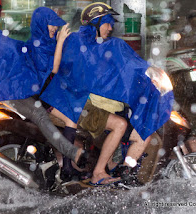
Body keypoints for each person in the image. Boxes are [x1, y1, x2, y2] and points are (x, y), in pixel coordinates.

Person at [41, 2, 174, 185]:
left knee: (144, 132)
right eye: (108, 22)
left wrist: (148, 74)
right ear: (96, 22)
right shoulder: (79, 42)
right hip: (78, 104)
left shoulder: (103, 46)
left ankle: (124, 171)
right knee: (119, 125)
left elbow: (127, 66)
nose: (111, 28)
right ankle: (98, 173)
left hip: (97, 106)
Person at [0, 0, 86, 168]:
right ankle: (71, 153)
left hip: (12, 86)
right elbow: (4, 55)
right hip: (6, 90)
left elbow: (9, 53)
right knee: (39, 114)